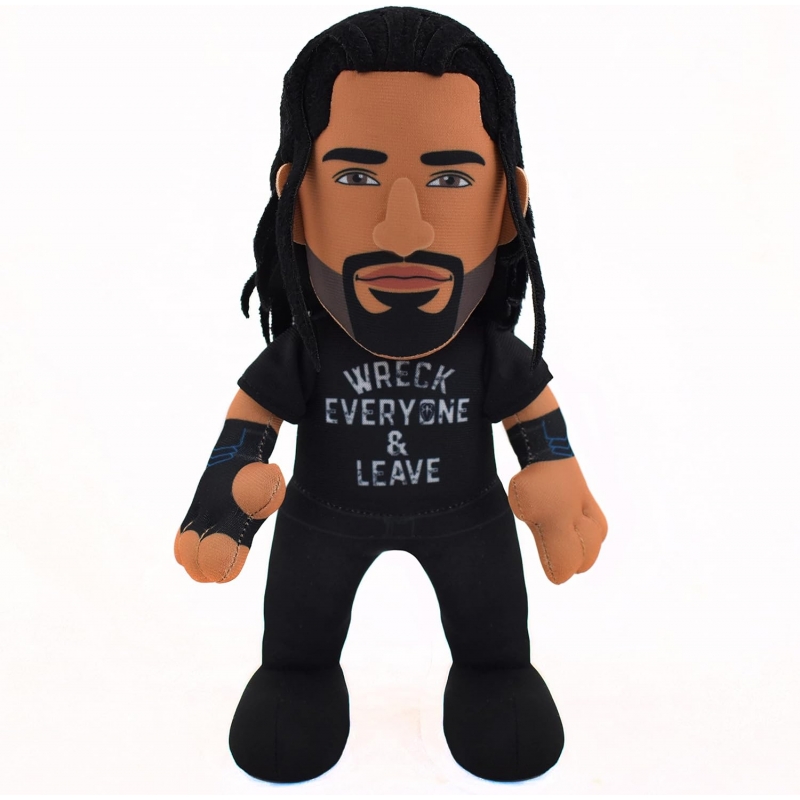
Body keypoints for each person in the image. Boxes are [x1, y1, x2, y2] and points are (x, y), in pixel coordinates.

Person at [174, 7, 607, 784]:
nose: (403, 230)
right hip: (322, 519)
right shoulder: (309, 351)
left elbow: (536, 418)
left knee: (495, 642)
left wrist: (555, 472)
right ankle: (298, 675)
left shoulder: (487, 353)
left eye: (450, 179)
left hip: (469, 519)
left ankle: (493, 675)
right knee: (297, 644)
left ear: (506, 207)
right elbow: (252, 417)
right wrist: (225, 493)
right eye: (355, 177)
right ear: (296, 202)